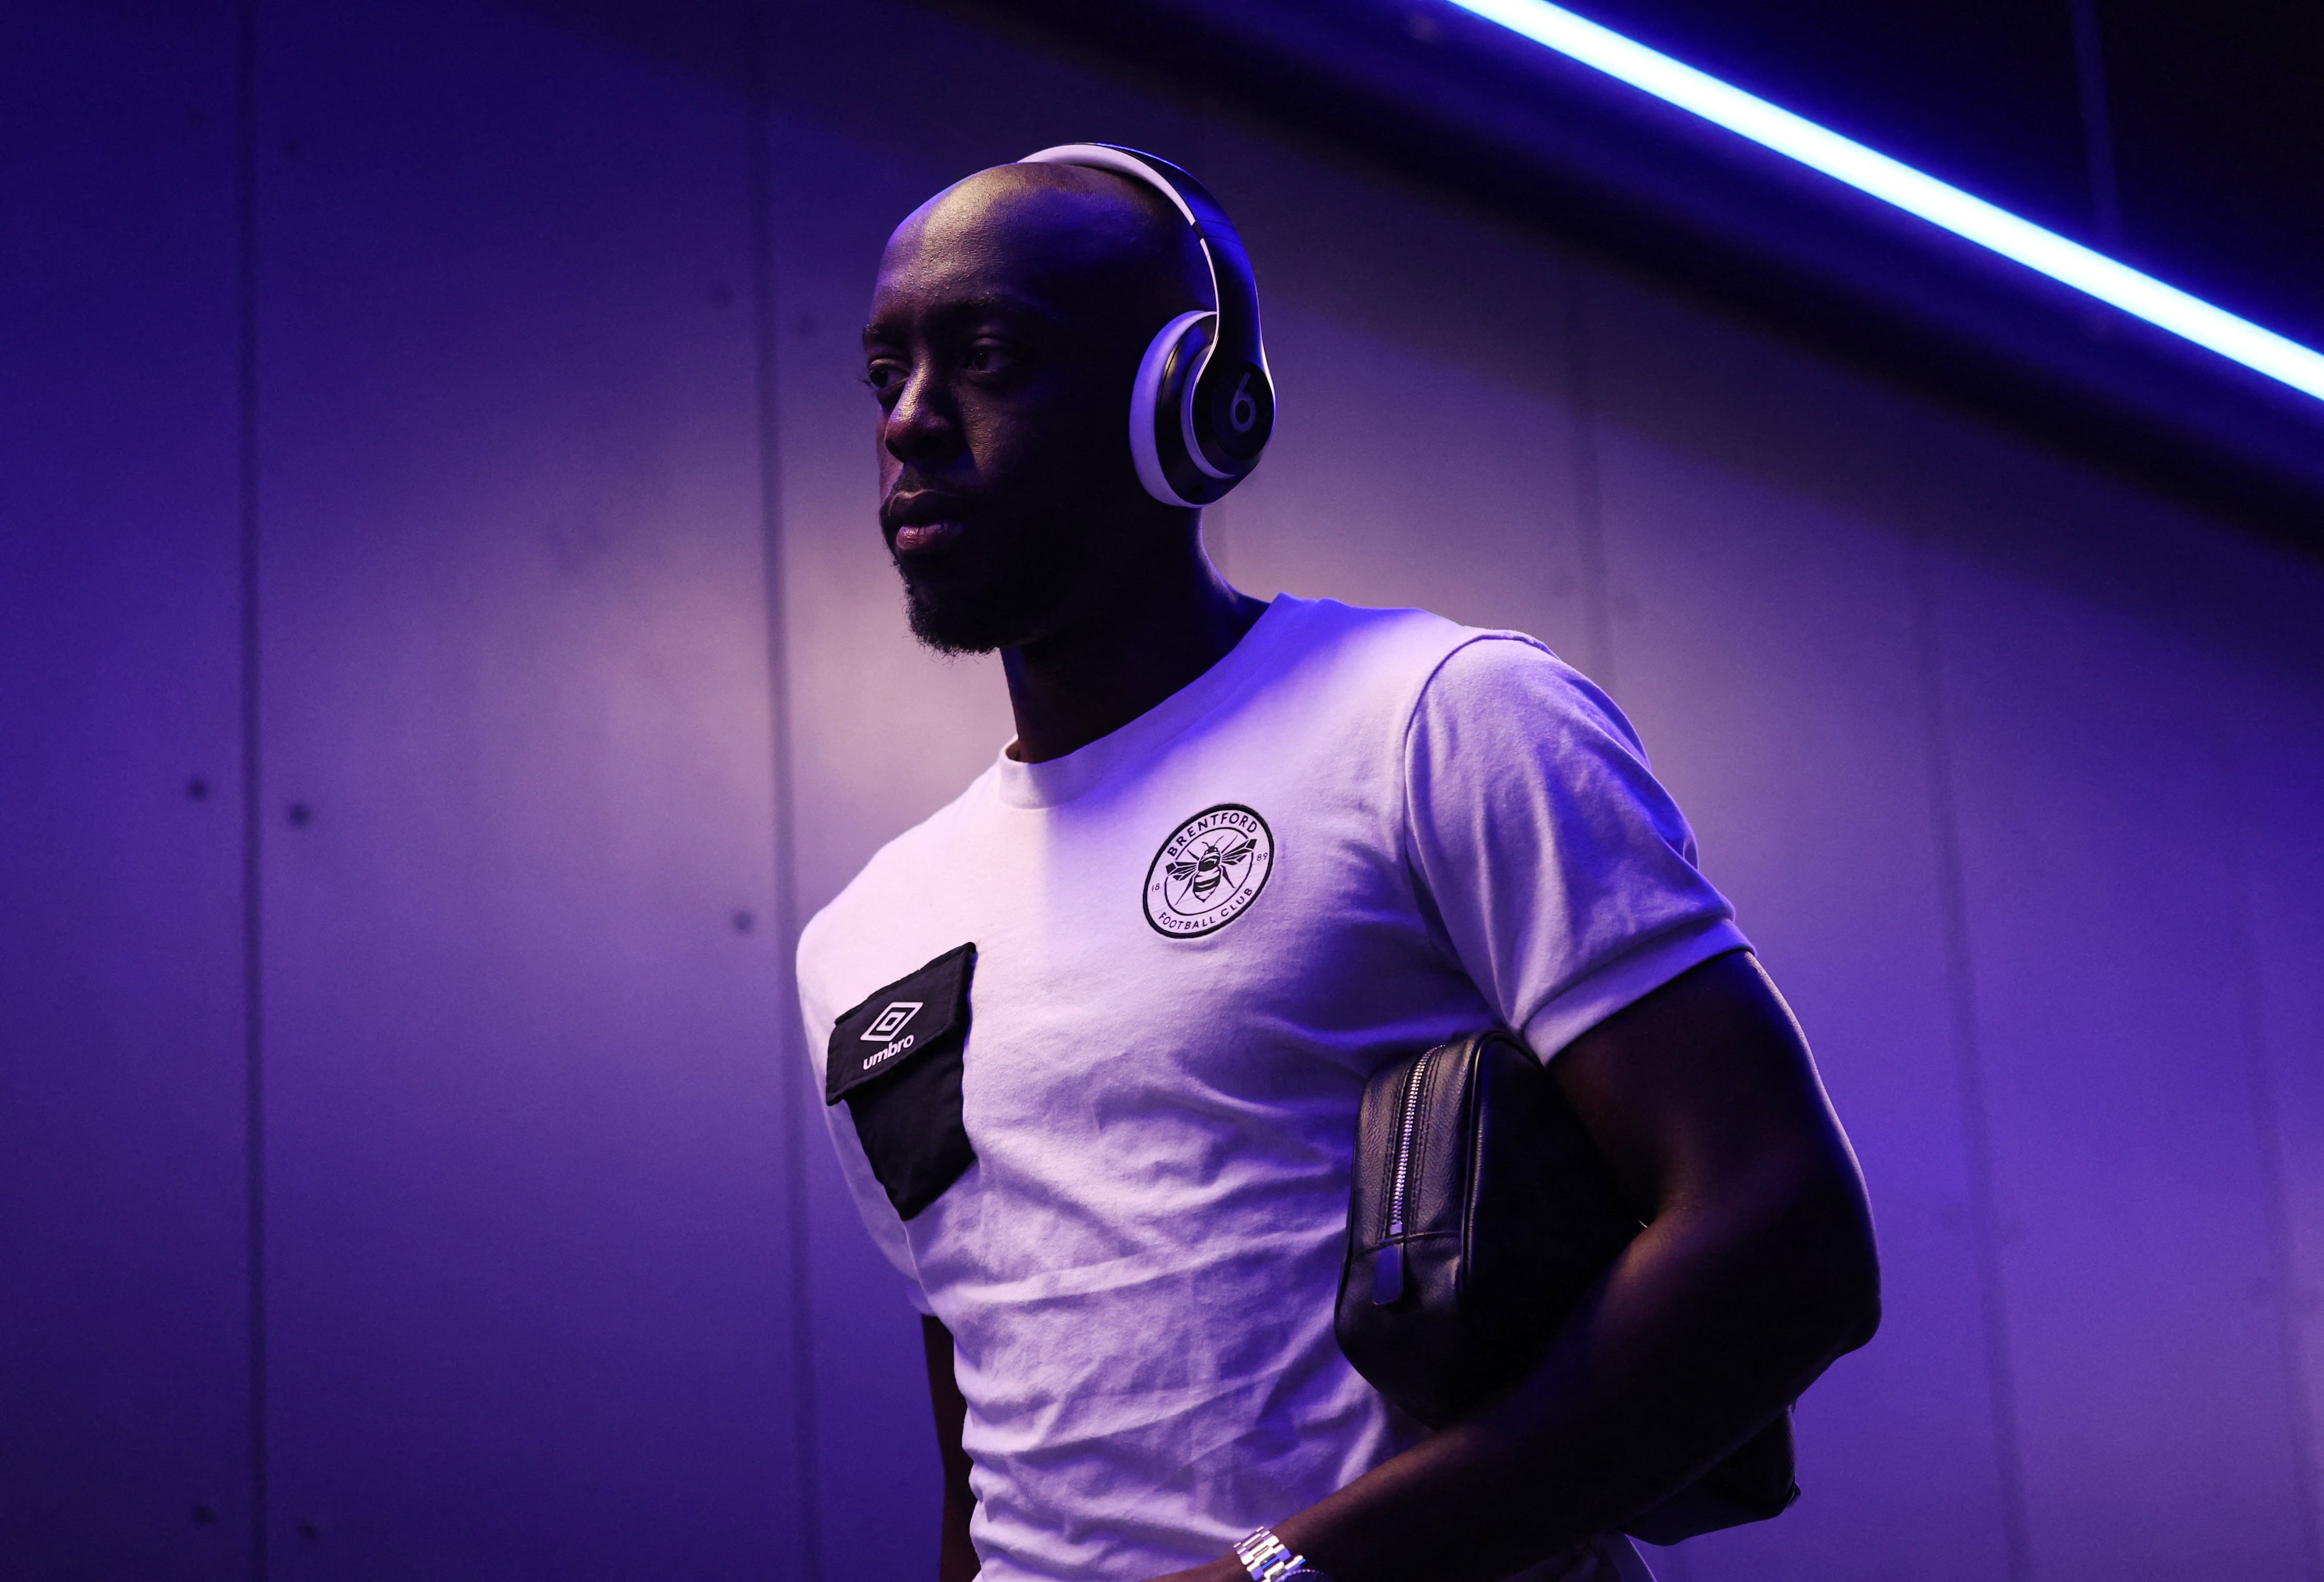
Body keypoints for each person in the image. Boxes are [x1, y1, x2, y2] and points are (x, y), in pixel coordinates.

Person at [794, 146, 1880, 1582]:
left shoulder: (1437, 717)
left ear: (1190, 401)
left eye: (990, 358)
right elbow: (991, 1431)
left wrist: (1282, 1576)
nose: (911, 423)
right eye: (888, 376)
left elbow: (1785, 1236)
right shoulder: (864, 941)